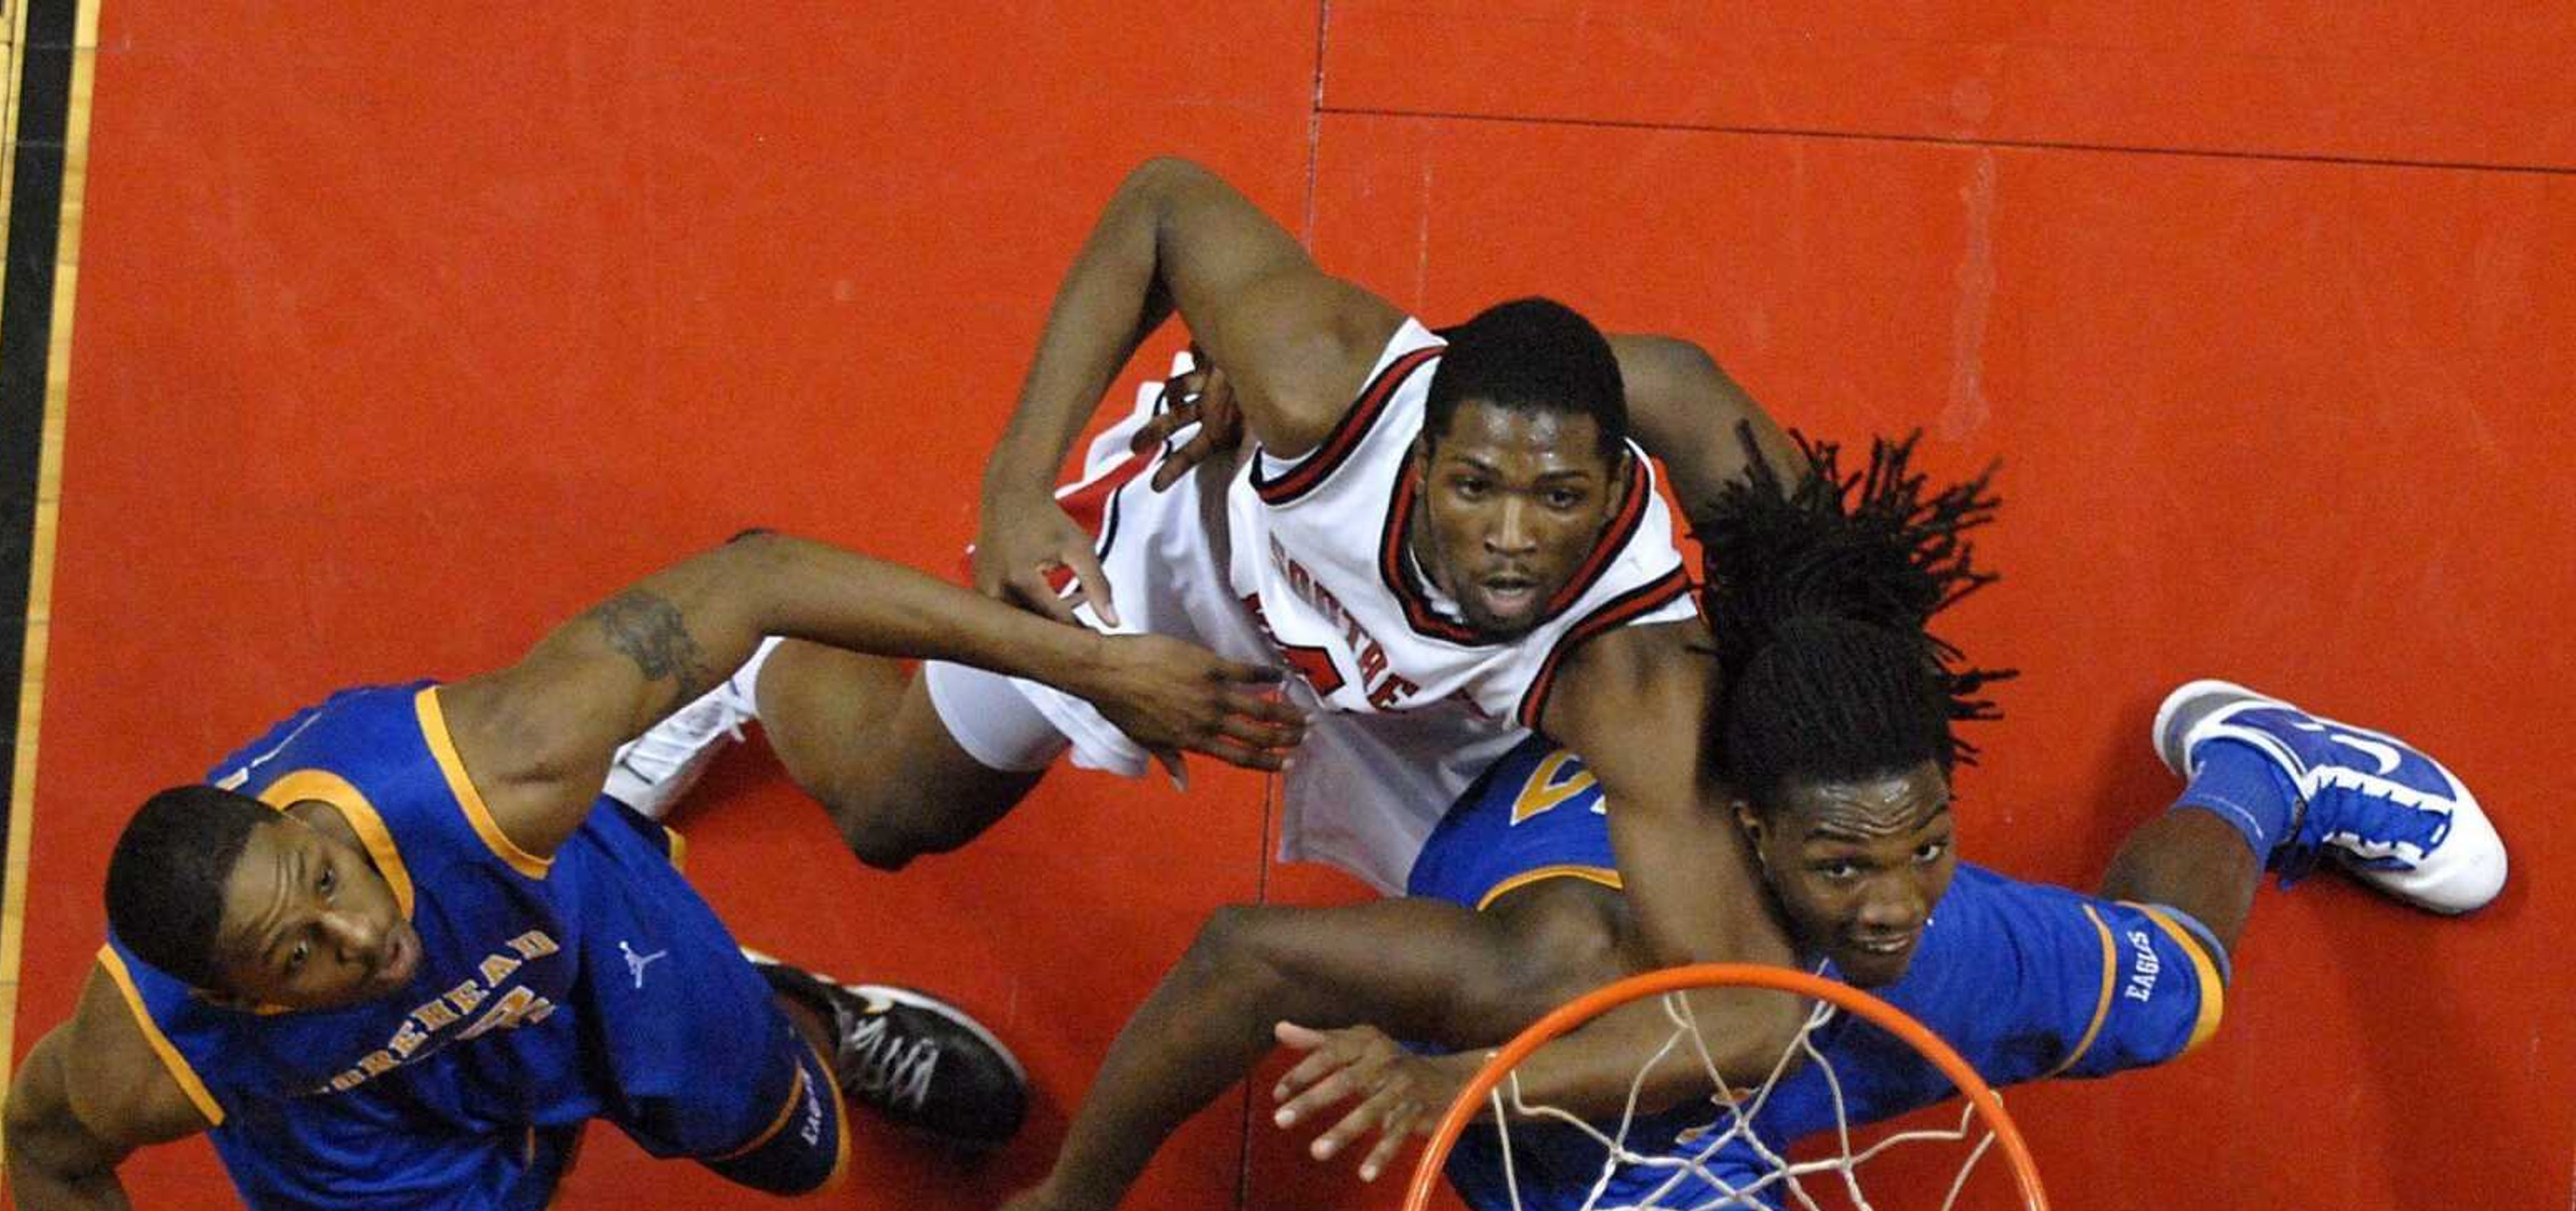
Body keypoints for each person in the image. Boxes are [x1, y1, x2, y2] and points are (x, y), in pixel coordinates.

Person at [951, 433, 2509, 1211]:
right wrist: (1070, 1204)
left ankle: (2262, 768)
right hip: (1604, 1122)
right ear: (1747, 834)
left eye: (1925, 844)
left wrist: (1448, 1091)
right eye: (1842, 864)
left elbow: (1780, 997)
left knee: (2180, 992)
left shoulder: (1891, 907)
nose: (1892, 900)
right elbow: (1238, 955)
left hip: (1737, 1029)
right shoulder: (1543, 955)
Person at [0, 527, 1305, 1211]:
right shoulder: (156, 1053)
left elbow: (757, 577)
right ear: (229, 997)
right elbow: (48, 1154)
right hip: (359, 1105)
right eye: (300, 954)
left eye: (330, 879)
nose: (363, 936)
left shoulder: (493, 765)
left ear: (309, 823)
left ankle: (791, 1009)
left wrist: (1084, 662)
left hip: (556, 943)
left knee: (789, 1146)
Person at [604, 155, 1808, 970]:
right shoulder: (1316, 382)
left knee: (1529, 933)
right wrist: (1019, 488)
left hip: (1434, 706)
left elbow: (1724, 973)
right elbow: (1164, 203)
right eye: (1475, 485)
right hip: (1205, 571)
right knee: (889, 814)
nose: (1509, 536)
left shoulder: (1631, 659)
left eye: (1556, 499)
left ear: (1613, 490)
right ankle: (764, 645)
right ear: (1425, 447)